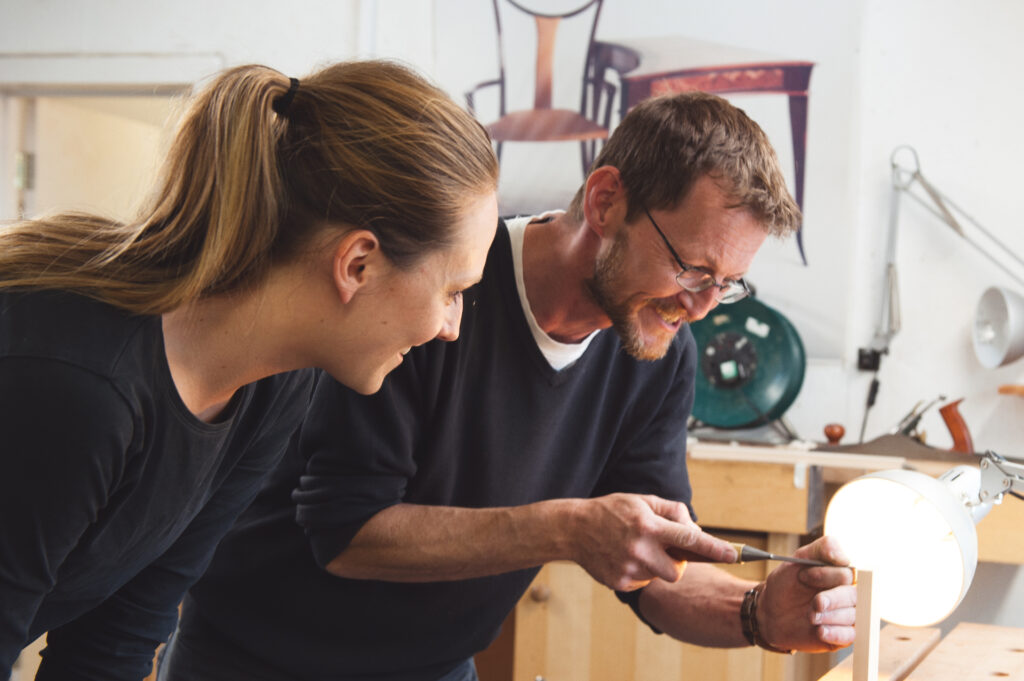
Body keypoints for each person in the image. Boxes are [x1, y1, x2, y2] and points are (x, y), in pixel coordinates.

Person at [163, 92, 856, 681]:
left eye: (726, 284)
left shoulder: (658, 351)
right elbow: (344, 530)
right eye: (691, 268)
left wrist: (758, 611)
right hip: (259, 659)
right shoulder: (436, 291)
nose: (700, 305)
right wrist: (568, 526)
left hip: (434, 667)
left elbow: (653, 566)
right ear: (606, 200)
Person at [0, 59, 501, 681]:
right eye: (453, 290)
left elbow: (117, 639)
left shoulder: (274, 384)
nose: (452, 327)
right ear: (358, 264)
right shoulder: (81, 387)